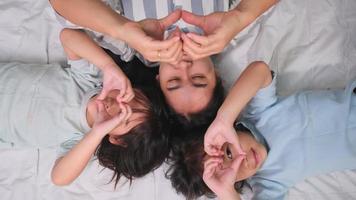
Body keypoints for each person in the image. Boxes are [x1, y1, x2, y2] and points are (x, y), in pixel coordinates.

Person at [0, 27, 172, 187]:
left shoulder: (80, 140)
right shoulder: (90, 79)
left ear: (116, 139)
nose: (115, 104)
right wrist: (108, 66)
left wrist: (97, 133)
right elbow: (68, 36)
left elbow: (59, 178)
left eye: (122, 117)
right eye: (127, 97)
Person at [49, 0, 278, 116]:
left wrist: (123, 28)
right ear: (216, 75)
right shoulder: (226, 33)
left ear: (159, 80)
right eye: (198, 78)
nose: (184, 66)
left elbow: (61, 4)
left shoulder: (130, 45)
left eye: (174, 81)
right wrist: (239, 17)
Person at [168, 61, 356, 199]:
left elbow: (260, 71)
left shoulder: (260, 113)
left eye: (228, 151)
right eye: (232, 172)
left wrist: (224, 118)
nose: (244, 158)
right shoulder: (269, 183)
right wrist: (228, 194)